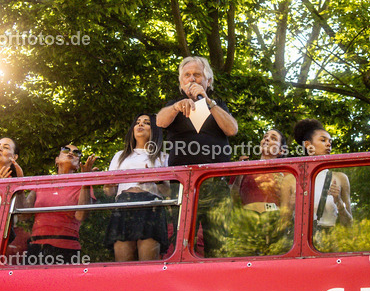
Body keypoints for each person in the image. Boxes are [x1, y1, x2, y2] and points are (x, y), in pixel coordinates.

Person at [105, 114, 170, 261]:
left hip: (150, 207)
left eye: (146, 123)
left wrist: (156, 180)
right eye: (137, 122)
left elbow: (168, 192)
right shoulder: (120, 156)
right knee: (123, 269)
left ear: (154, 130)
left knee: (147, 268)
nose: (140, 125)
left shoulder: (162, 156)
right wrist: (108, 183)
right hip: (123, 206)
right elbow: (109, 192)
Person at [22, 144, 98, 264]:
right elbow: (24, 215)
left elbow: (81, 216)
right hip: (36, 247)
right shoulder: (41, 183)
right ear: (56, 160)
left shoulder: (83, 186)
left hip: (66, 249)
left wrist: (86, 180)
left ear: (78, 166)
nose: (71, 153)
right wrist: (19, 179)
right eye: (66, 149)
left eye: (76, 152)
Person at [156, 56, 238, 166]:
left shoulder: (218, 105)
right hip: (181, 175)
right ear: (181, 82)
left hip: (215, 174)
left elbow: (232, 130)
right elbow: (160, 122)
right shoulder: (174, 105)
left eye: (197, 75)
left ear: (208, 81)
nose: (192, 79)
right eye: (187, 75)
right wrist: (175, 107)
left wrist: (209, 102)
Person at [293, 119, 351, 235]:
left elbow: (349, 224)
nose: (329, 144)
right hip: (297, 243)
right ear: (308, 145)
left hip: (328, 244)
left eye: (330, 141)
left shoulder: (339, 178)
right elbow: (283, 220)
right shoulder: (292, 178)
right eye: (323, 140)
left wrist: (339, 202)